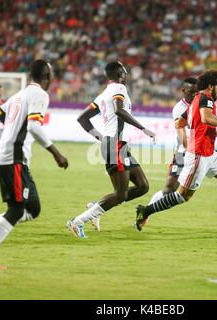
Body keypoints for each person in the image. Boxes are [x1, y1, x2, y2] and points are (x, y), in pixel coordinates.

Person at [0, 59, 69, 269]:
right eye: (51, 76)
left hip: (11, 158)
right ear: (47, 77)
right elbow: (34, 126)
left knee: (33, 208)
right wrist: (55, 153)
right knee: (16, 209)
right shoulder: (40, 95)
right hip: (14, 158)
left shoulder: (18, 96)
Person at [135, 70, 217, 232]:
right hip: (198, 154)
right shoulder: (204, 98)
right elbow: (206, 118)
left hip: (209, 153)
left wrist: (201, 129)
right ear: (210, 87)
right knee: (182, 196)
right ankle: (145, 210)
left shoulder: (196, 101)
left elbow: (179, 123)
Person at [66, 61, 155, 238]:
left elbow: (82, 118)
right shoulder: (119, 89)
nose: (126, 75)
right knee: (121, 194)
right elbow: (120, 111)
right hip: (115, 145)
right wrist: (143, 128)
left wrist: (101, 138)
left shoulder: (104, 94)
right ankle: (77, 222)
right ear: (120, 73)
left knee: (143, 186)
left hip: (116, 144)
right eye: (125, 72)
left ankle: (95, 207)